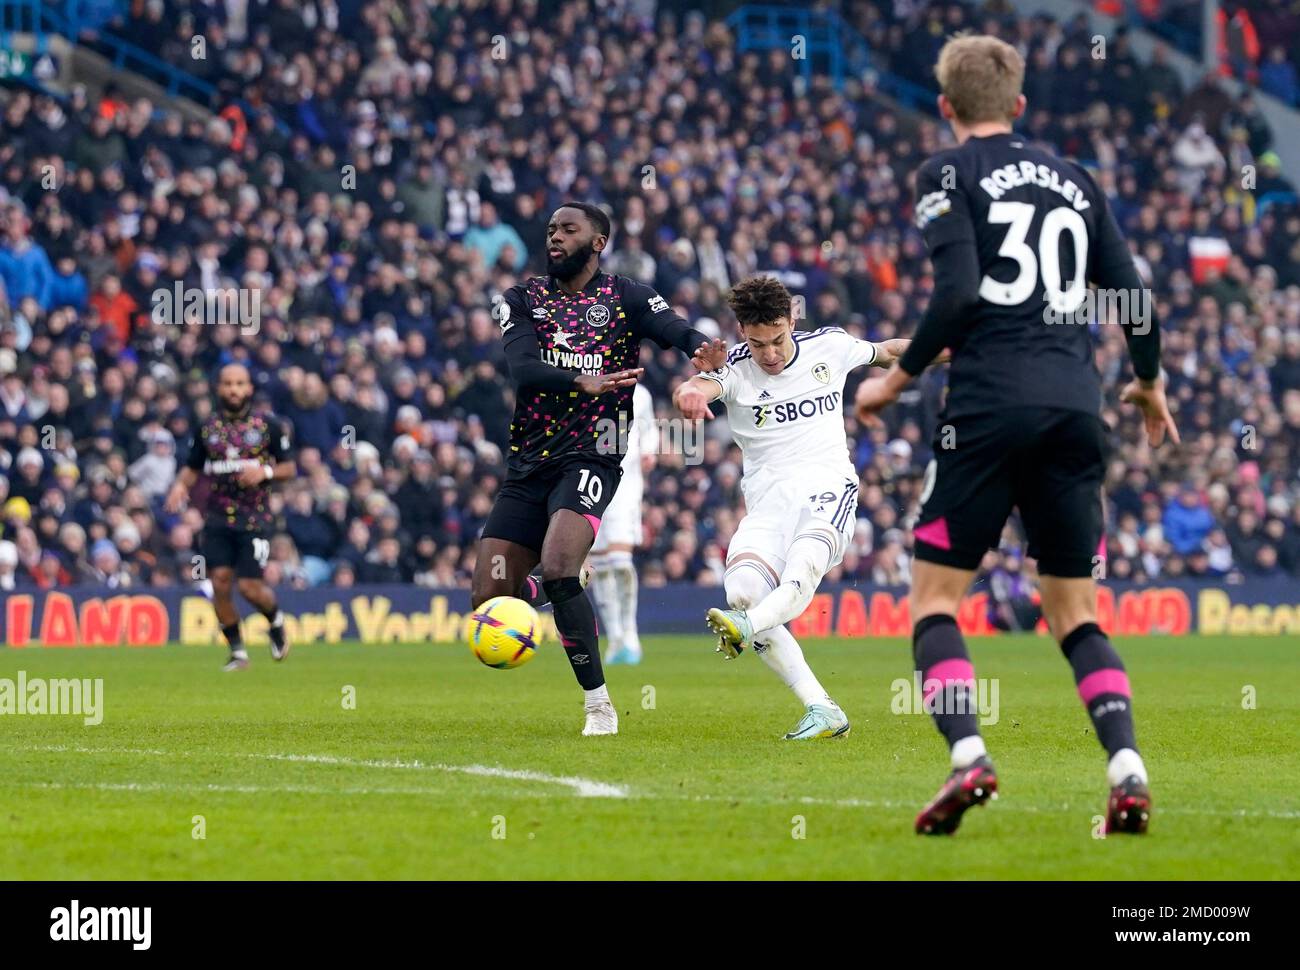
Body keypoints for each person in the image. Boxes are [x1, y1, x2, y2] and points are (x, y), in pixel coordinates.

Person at [854, 35, 1178, 835]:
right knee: (1076, 614)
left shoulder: (946, 171)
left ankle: (968, 757)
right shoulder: (1076, 180)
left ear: (945, 107)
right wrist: (1150, 379)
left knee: (934, 602)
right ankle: (1127, 770)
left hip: (990, 406)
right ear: (1021, 106)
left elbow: (960, 292)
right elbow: (1133, 296)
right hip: (1077, 406)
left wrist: (898, 378)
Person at [471, 201, 721, 736]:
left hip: (595, 451)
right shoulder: (522, 299)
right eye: (551, 230)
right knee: (487, 599)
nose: (555, 237)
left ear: (598, 241)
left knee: (559, 570)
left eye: (568, 229)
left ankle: (599, 705)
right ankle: (561, 578)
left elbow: (672, 326)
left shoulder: (624, 295)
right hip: (529, 461)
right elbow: (522, 368)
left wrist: (701, 348)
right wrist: (579, 381)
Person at [672, 275, 917, 739]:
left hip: (827, 485)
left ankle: (747, 627)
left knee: (800, 571)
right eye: (757, 342)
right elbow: (696, 388)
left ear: (792, 320)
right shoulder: (735, 367)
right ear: (743, 332)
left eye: (778, 339)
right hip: (767, 503)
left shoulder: (831, 347)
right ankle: (822, 707)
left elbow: (889, 351)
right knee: (742, 589)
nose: (770, 353)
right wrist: (687, 394)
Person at [165, 363, 296, 671]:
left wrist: (264, 471)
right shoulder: (207, 429)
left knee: (250, 587)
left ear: (249, 388)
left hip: (255, 519)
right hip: (217, 519)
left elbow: (289, 468)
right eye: (228, 384)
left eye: (239, 383)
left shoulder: (268, 426)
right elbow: (193, 467)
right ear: (219, 388)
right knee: (220, 584)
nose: (234, 389)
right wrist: (178, 486)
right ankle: (238, 652)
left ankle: (275, 622)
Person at [588, 382, 656, 665]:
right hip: (586, 482)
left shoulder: (639, 394)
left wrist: (649, 450)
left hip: (625, 484)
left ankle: (630, 631)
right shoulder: (580, 386)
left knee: (620, 562)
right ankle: (615, 637)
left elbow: (649, 428)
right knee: (599, 567)